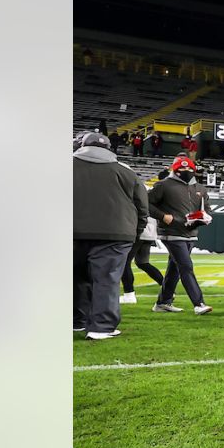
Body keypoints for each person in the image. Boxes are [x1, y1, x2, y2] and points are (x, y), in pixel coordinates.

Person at [74, 132, 147, 340]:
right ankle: (101, 327)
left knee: (74, 277)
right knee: (106, 279)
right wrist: (135, 232)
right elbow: (142, 208)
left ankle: (76, 321)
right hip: (116, 233)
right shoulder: (126, 172)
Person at [147, 155, 214, 315]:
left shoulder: (200, 189)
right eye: (182, 168)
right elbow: (146, 203)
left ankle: (163, 302)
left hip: (191, 232)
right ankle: (199, 303)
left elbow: (208, 209)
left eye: (189, 168)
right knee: (186, 266)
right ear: (175, 170)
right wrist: (163, 216)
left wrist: (206, 217)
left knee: (174, 269)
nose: (186, 171)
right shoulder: (163, 185)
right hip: (171, 233)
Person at [119, 190, 165, 304]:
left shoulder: (136, 195)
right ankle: (166, 287)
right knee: (142, 262)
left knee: (125, 262)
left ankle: (129, 294)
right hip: (149, 233)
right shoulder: (149, 195)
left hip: (140, 232)